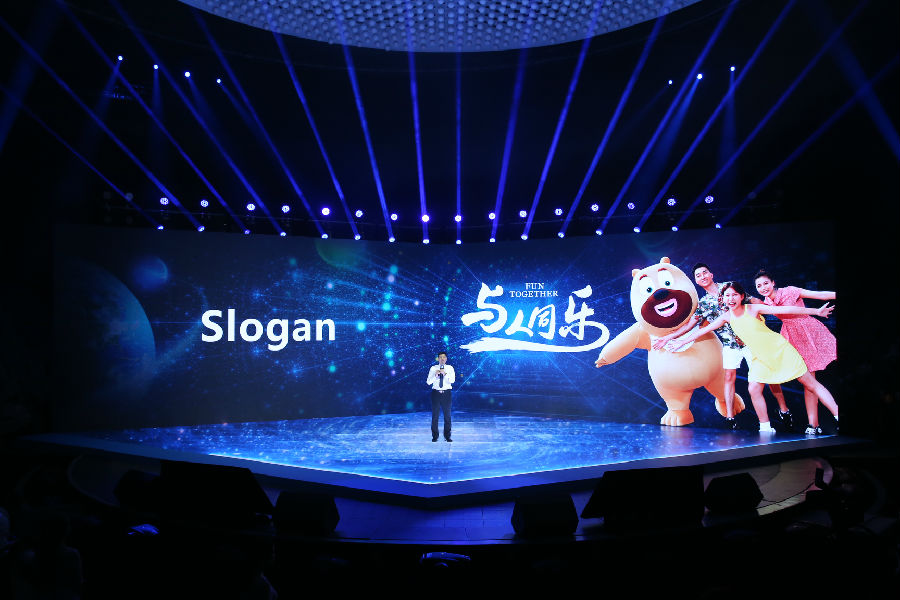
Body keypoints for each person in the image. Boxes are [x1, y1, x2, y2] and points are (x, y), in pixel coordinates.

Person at [667, 281, 838, 435]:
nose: (731, 299)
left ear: (742, 297)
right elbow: (702, 330)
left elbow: (785, 309)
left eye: (735, 295)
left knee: (811, 384)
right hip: (759, 358)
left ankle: (838, 415)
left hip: (779, 351)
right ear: (723, 299)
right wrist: (678, 341)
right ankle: (765, 427)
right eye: (727, 296)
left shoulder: (752, 309)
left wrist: (816, 311)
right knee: (754, 389)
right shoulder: (726, 317)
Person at [652, 263, 793, 431]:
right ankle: (730, 416)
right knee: (728, 378)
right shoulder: (704, 303)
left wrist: (773, 308)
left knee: (769, 375)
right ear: (696, 281)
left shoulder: (729, 288)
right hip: (730, 345)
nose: (703, 276)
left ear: (711, 274)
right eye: (698, 275)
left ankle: (784, 409)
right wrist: (668, 337)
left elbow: (752, 301)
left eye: (704, 273)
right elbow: (690, 325)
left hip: (751, 341)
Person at [754, 269, 838, 432]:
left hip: (809, 331)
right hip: (790, 337)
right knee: (808, 381)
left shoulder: (790, 291)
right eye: (759, 286)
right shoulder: (765, 303)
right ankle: (813, 424)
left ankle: (816, 423)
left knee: (811, 381)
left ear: (773, 283)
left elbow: (821, 295)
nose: (763, 288)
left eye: (766, 283)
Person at [426, 352, 455, 442]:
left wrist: (445, 374)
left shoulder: (450, 368)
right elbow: (428, 382)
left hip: (446, 393)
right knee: (435, 416)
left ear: (446, 359)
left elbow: (452, 380)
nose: (442, 359)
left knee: (447, 416)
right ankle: (435, 436)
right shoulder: (433, 368)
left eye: (444, 357)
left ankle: (447, 436)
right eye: (440, 357)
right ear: (438, 359)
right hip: (436, 393)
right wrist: (435, 376)